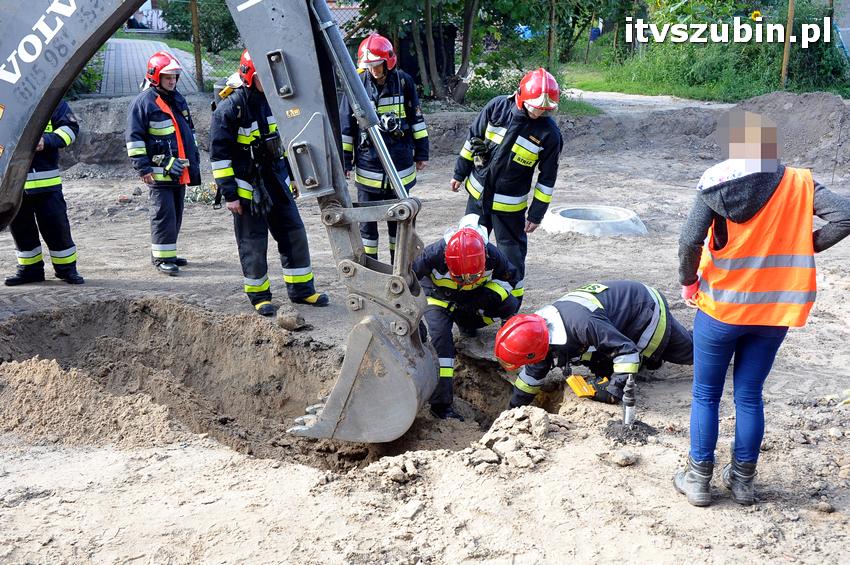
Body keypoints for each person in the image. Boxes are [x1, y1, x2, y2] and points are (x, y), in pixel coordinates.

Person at [673, 110, 850, 507]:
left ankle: (699, 480)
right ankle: (743, 483)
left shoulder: (717, 185)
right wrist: (809, 245)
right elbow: (846, 214)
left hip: (720, 311)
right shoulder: (800, 183)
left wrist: (688, 280)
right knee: (749, 395)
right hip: (774, 313)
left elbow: (688, 241)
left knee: (706, 395)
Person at [210, 50, 328, 317]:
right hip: (247, 187)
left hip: (276, 181)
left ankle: (301, 290)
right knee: (253, 241)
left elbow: (284, 145)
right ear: (250, 76)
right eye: (263, 76)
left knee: (293, 231)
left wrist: (294, 178)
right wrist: (230, 195)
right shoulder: (229, 109)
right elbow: (219, 158)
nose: (270, 81)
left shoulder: (273, 103)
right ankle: (259, 296)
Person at [450, 68, 563, 303]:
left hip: (509, 208)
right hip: (478, 198)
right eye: (536, 107)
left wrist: (536, 214)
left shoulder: (549, 133)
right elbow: (473, 138)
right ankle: (466, 307)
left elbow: (547, 179)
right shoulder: (497, 107)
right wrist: (459, 173)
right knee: (469, 250)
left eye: (546, 109)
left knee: (511, 257)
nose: (540, 112)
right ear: (521, 96)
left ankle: (511, 305)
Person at [494, 280, 693, 409]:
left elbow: (626, 351)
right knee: (607, 367)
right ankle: (650, 361)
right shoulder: (537, 331)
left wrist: (613, 391)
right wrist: (513, 410)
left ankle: (718, 335)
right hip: (614, 321)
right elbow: (532, 374)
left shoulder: (583, 324)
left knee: (692, 354)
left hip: (644, 310)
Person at [413, 215, 521, 419]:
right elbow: (404, 283)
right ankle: (441, 406)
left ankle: (471, 324)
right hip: (438, 300)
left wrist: (502, 314)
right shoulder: (433, 254)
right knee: (442, 346)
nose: (466, 280)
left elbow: (514, 282)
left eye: (471, 276)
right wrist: (415, 321)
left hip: (473, 299)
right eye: (460, 276)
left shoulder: (493, 255)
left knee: (509, 302)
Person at [339, 33, 429, 262]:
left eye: (377, 65)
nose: (374, 71)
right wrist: (345, 162)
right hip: (369, 165)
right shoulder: (356, 84)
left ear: (387, 62)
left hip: (399, 165)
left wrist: (422, 152)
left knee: (399, 222)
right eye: (370, 66)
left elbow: (416, 119)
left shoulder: (403, 82)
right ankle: (371, 268)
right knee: (367, 227)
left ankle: (399, 265)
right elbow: (346, 127)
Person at [125, 51, 201, 276]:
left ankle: (168, 253)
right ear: (155, 76)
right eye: (168, 76)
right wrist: (143, 167)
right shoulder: (143, 103)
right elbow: (134, 139)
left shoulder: (177, 98)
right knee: (163, 214)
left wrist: (192, 163)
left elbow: (188, 133)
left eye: (175, 76)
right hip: (158, 172)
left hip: (178, 170)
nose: (172, 80)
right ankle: (161, 259)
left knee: (176, 213)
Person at [5, 100, 84, 286]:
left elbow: (71, 128)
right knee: (22, 231)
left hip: (47, 185)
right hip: (14, 187)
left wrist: (47, 140)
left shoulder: (51, 99)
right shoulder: (4, 101)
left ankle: (66, 270)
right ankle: (30, 271)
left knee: (57, 228)